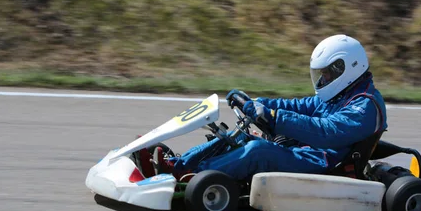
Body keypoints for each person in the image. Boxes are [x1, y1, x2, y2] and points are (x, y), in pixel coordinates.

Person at [142, 34, 388, 181]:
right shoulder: (341, 94)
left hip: (322, 161)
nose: (321, 81)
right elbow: (301, 105)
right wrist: (258, 104)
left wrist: (275, 117)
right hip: (305, 151)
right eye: (320, 74)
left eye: (325, 74)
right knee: (238, 136)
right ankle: (177, 165)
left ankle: (195, 179)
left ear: (344, 70)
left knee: (259, 151)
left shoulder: (365, 106)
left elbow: (326, 131)